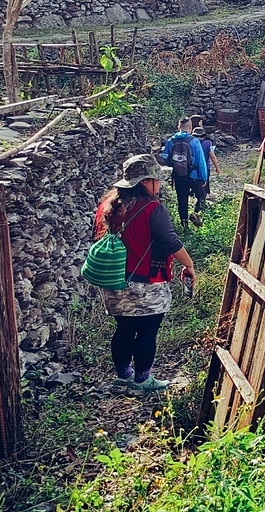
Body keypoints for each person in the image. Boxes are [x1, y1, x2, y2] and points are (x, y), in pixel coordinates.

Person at [94, 154, 196, 391]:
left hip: (114, 280)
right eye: (156, 179)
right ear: (145, 182)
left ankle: (123, 374)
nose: (159, 184)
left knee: (124, 329)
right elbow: (170, 242)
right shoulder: (153, 208)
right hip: (146, 281)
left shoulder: (108, 207)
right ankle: (142, 379)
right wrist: (189, 264)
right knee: (147, 331)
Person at [161, 117, 208, 230]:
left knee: (182, 200)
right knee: (201, 195)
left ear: (178, 127)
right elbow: (200, 161)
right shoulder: (194, 141)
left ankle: (184, 225)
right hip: (194, 176)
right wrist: (204, 177)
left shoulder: (170, 141)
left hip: (178, 176)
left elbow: (165, 158)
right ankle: (196, 213)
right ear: (190, 128)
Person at [191, 126, 221, 216]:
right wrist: (217, 167)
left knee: (196, 185)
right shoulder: (208, 143)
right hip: (204, 169)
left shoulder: (191, 143)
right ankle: (200, 208)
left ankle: (197, 203)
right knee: (204, 187)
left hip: (193, 170)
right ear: (204, 135)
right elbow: (212, 156)